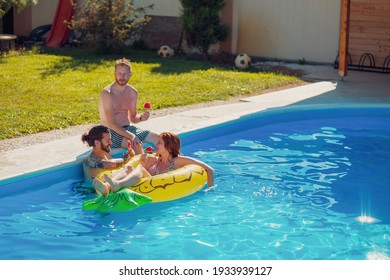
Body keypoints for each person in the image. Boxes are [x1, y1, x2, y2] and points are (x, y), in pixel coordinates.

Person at [98, 132, 215, 193]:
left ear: (168, 147)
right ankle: (108, 186)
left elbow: (209, 169)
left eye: (159, 143)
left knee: (139, 169)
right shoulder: (155, 159)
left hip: (165, 191)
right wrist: (143, 162)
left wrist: (210, 189)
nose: (155, 144)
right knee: (129, 168)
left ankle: (118, 185)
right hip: (150, 186)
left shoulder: (178, 160)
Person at [98, 57, 159, 150]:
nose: (122, 77)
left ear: (130, 75)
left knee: (161, 139)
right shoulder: (107, 93)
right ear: (114, 73)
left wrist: (141, 118)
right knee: (136, 145)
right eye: (119, 73)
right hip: (109, 132)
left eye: (125, 74)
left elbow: (133, 118)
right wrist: (132, 136)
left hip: (127, 128)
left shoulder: (132, 92)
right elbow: (112, 123)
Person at [81, 125, 143, 194]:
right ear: (97, 143)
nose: (111, 143)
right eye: (108, 140)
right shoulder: (90, 160)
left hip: (103, 190)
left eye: (111, 139)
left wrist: (130, 156)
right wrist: (124, 160)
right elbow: (111, 164)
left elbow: (116, 166)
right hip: (90, 193)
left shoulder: (104, 155)